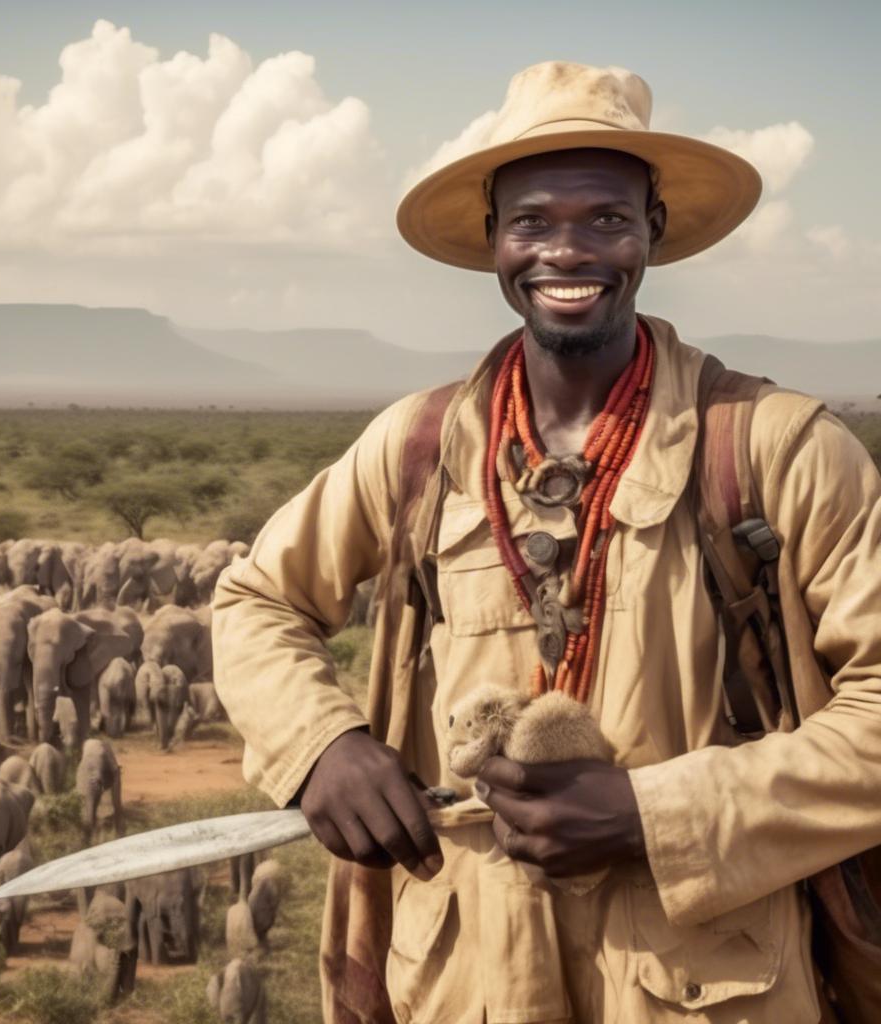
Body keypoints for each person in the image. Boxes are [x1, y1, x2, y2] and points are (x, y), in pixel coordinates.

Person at [212, 61, 881, 1023]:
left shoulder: (777, 448)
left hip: (707, 983)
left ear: (652, 229)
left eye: (605, 218)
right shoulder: (419, 446)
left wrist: (658, 814)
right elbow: (256, 600)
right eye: (532, 221)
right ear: (493, 239)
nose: (566, 251)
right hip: (463, 978)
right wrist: (323, 744)